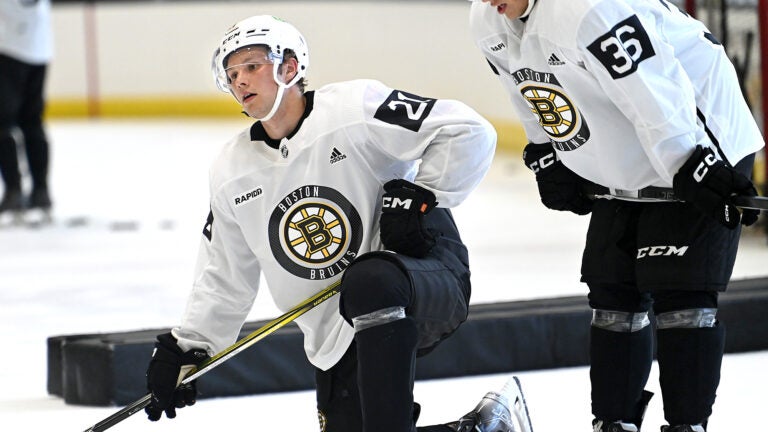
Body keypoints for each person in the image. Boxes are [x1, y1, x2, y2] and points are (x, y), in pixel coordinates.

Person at [143, 14, 534, 432]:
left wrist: (422, 197)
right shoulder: (231, 171)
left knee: (369, 279)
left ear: (289, 67)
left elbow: (468, 131)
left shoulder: (353, 110)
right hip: (336, 331)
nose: (240, 81)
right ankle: (487, 427)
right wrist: (190, 349)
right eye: (232, 73)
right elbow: (224, 275)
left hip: (424, 276)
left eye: (252, 66)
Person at [468, 1, 764, 432]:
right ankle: (613, 423)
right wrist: (546, 149)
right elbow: (526, 87)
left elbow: (654, 85)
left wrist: (693, 165)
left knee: (681, 295)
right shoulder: (487, 16)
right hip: (624, 146)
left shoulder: (588, 9)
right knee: (612, 291)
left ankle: (688, 425)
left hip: (699, 134)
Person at [0, 0, 53, 222]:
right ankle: (40, 191)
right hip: (38, 45)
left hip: (10, 43)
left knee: (3, 122)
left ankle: (14, 190)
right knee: (32, 121)